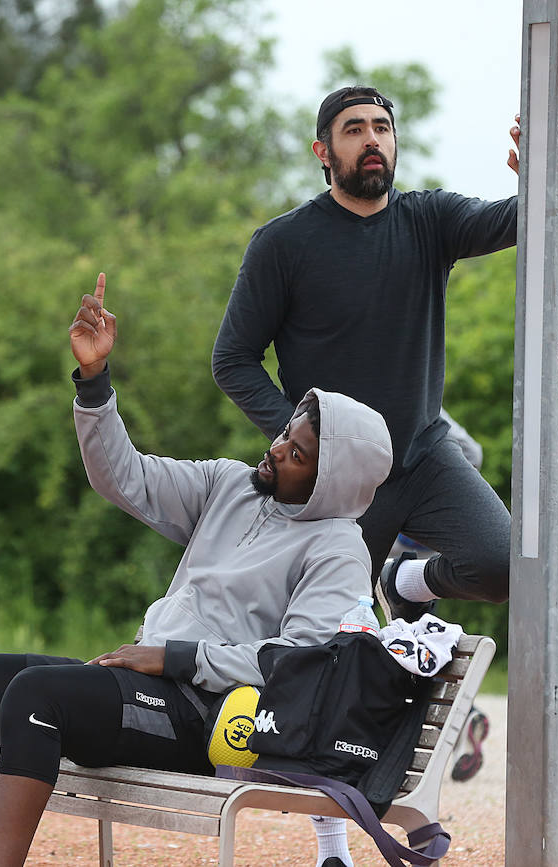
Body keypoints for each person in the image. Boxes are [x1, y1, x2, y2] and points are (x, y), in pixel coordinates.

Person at [0, 275, 393, 867]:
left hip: (203, 716)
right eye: (287, 432)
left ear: (332, 479)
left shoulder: (338, 549)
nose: (278, 448)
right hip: (145, 688)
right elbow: (123, 477)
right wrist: (93, 381)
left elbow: (300, 664)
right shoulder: (230, 485)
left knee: (38, 695)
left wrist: (178, 658)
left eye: (299, 453)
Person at [212, 84, 519, 624]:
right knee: (322, 634)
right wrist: (303, 436)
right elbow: (233, 359)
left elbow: (519, 220)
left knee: (503, 565)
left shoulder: (430, 220)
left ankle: (405, 580)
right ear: (323, 152)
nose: (372, 139)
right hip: (340, 480)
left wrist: (536, 175)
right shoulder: (283, 244)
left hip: (424, 459)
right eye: (354, 130)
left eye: (381, 128)